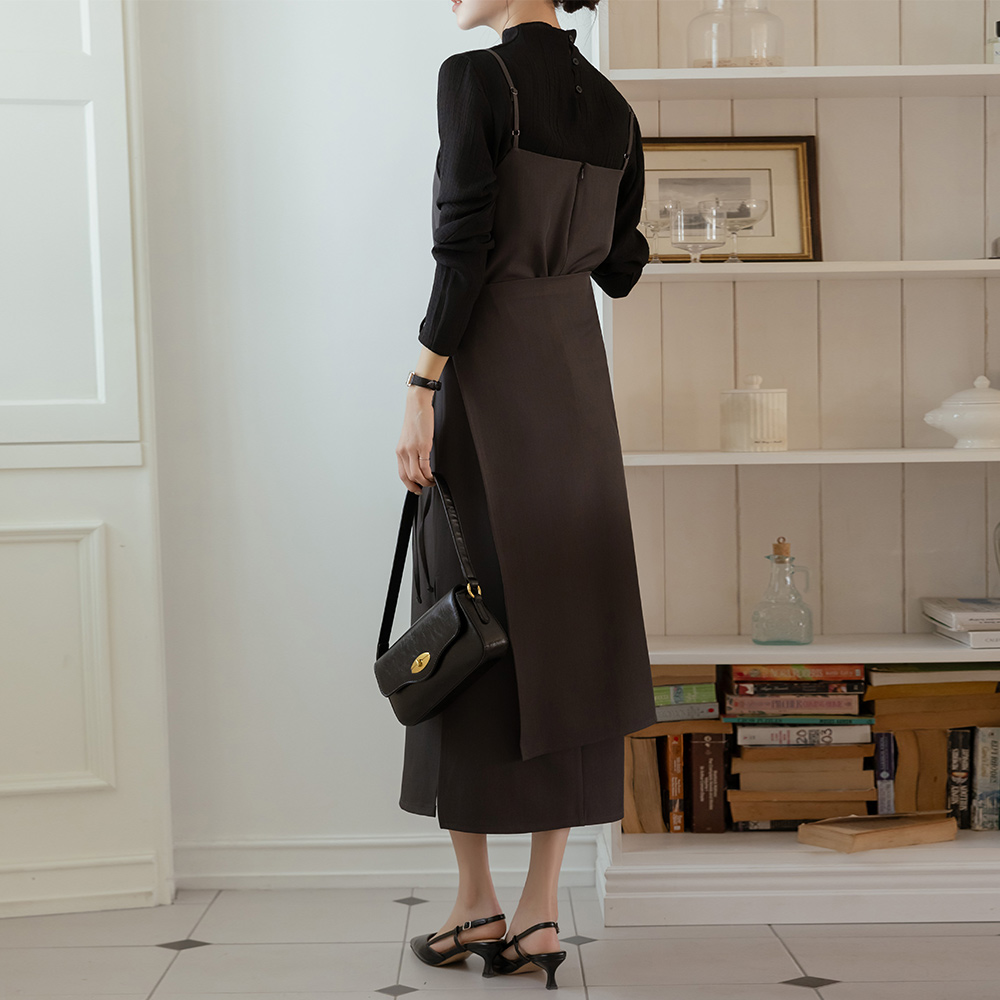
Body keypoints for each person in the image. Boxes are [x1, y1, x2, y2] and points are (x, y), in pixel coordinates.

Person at [394, 0, 657, 988]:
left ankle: (476, 904)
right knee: (569, 637)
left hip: (489, 382)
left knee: (463, 625)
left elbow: (459, 250)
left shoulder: (476, 78)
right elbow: (620, 268)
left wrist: (420, 385)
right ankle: (542, 911)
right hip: (576, 389)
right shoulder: (614, 107)